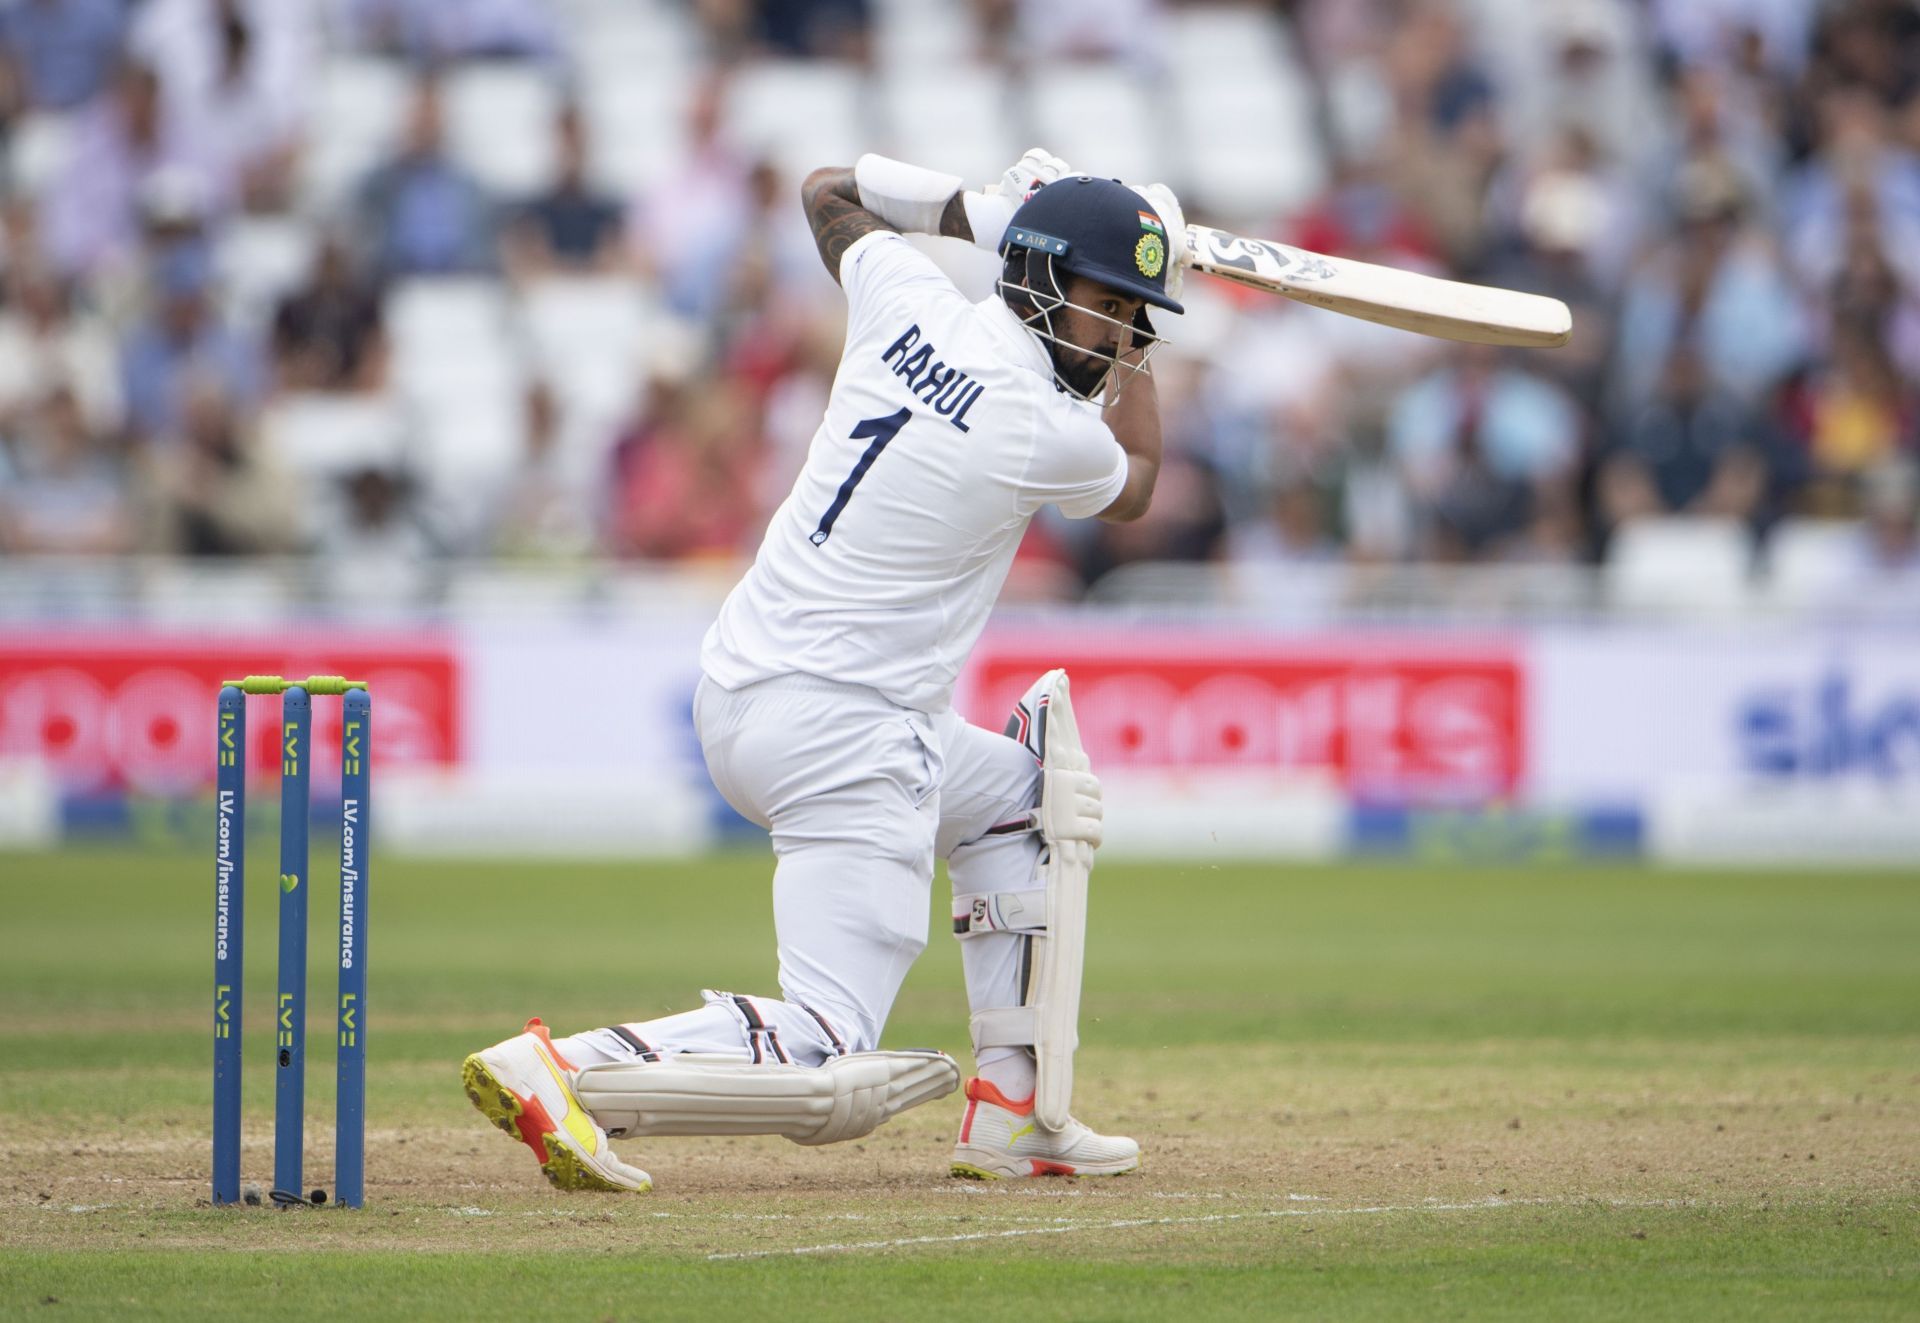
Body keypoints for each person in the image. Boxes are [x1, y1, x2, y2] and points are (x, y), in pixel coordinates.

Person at [462, 151, 1186, 1191]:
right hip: (850, 732)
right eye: (1111, 309)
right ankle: (565, 1067)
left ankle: (1016, 1110)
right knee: (822, 1043)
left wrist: (977, 213)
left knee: (1027, 803)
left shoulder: (904, 293)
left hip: (743, 691)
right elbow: (1142, 485)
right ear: (1041, 281)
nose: (1119, 339)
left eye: (1134, 318)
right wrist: (1148, 348)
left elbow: (825, 191)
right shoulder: (1040, 428)